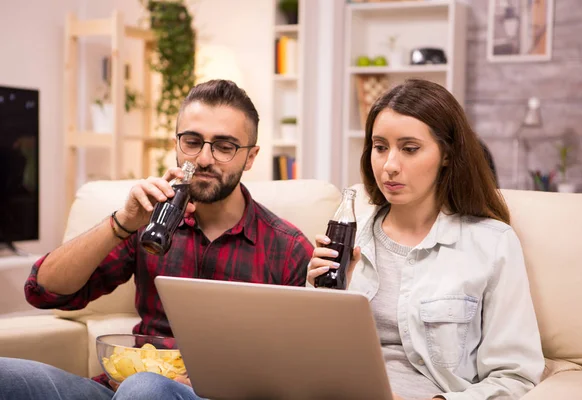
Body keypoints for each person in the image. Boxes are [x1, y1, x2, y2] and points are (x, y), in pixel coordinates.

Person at [0, 79, 314, 400]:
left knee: (145, 388)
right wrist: (124, 221)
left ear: (250, 157)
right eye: (192, 141)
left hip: (202, 394)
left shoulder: (287, 249)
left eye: (224, 146)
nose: (204, 159)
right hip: (120, 390)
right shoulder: (148, 220)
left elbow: (301, 368)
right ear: (177, 144)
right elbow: (43, 291)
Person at [308, 79, 544, 400]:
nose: (390, 166)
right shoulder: (349, 236)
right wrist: (321, 298)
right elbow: (311, 359)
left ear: (447, 155)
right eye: (380, 147)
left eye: (409, 149)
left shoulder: (492, 244)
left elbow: (515, 374)